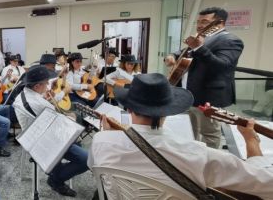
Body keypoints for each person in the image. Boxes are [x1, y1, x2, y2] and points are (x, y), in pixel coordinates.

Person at [88, 73, 273, 200]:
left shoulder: (101, 140)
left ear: (128, 108)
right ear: (168, 112)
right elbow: (266, 184)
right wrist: (251, 141)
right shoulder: (198, 154)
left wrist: (108, 136)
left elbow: (95, 168)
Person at [164, 7, 244, 149]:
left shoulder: (231, 40)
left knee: (209, 134)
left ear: (219, 23)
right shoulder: (201, 38)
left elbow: (223, 66)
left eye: (205, 21)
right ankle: (192, 156)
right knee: (188, 130)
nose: (200, 25)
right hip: (187, 95)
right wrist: (172, 56)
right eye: (198, 21)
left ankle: (210, 163)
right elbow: (183, 52)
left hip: (208, 97)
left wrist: (199, 48)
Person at [13, 65, 89, 197]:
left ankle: (56, 170)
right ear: (36, 86)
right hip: (43, 140)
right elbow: (59, 121)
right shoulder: (39, 103)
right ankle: (56, 180)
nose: (48, 85)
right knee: (87, 159)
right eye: (45, 83)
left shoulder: (23, 94)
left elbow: (43, 109)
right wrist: (70, 118)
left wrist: (48, 99)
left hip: (33, 134)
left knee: (77, 143)